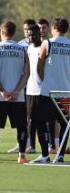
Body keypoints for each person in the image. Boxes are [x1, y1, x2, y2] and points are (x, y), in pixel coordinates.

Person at [0, 21, 30, 164]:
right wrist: (17, 91)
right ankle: (22, 156)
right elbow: (27, 73)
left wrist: (2, 90)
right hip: (18, 96)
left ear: (2, 32)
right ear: (13, 33)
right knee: (21, 126)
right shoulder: (22, 50)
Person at [37, 17, 70, 163]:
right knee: (65, 124)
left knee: (41, 121)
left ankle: (45, 155)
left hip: (48, 92)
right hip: (66, 91)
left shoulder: (47, 43)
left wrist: (44, 80)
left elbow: (39, 66)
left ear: (53, 28)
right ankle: (61, 154)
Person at [7, 18, 36, 153]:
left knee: (33, 117)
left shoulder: (38, 44)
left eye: (29, 30)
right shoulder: (19, 46)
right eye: (25, 30)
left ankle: (33, 145)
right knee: (22, 118)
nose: (27, 32)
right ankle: (23, 143)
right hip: (22, 86)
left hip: (35, 86)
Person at [25, 25, 52, 163]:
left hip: (42, 92)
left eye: (34, 34)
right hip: (30, 91)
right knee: (31, 122)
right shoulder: (28, 48)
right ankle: (37, 150)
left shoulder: (45, 48)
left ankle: (46, 154)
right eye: (29, 35)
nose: (31, 37)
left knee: (42, 123)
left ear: (39, 34)